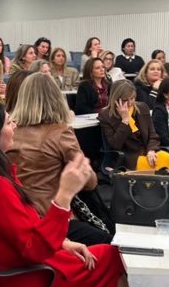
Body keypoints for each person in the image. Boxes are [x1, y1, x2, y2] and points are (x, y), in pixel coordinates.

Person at [0, 98, 131, 287]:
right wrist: (64, 195)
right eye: (8, 122)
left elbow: (24, 232)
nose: (15, 125)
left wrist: (63, 242)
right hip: (30, 278)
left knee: (106, 255)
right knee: (111, 257)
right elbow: (34, 247)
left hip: (26, 269)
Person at [8, 73, 111, 245]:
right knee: (108, 242)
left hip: (18, 217)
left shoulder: (9, 132)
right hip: (51, 216)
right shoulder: (60, 132)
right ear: (57, 97)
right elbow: (89, 182)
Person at [98, 80, 169, 171]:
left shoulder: (142, 107)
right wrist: (125, 121)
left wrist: (151, 150)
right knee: (159, 169)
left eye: (132, 98)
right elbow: (115, 144)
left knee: (166, 157)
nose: (130, 103)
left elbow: (153, 135)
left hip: (147, 152)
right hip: (129, 158)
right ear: (115, 99)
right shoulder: (106, 115)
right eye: (125, 100)